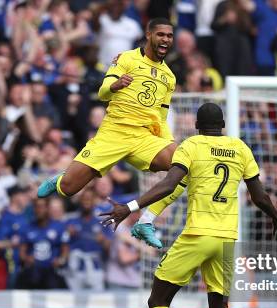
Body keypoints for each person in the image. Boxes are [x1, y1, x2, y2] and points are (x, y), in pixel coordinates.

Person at [100, 103, 277, 308]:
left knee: (158, 299)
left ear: (198, 126)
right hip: (227, 240)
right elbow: (258, 195)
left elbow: (168, 185)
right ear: (223, 124)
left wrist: (130, 208)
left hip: (198, 234)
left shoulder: (191, 146)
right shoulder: (240, 148)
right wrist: (275, 216)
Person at [37, 18, 182, 250]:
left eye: (169, 36)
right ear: (149, 35)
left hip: (144, 138)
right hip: (113, 133)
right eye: (161, 34)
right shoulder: (126, 58)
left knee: (184, 166)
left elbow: (161, 117)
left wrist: (169, 142)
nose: (165, 39)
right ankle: (61, 178)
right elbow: (104, 93)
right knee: (69, 189)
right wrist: (115, 86)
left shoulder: (169, 77)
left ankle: (146, 222)